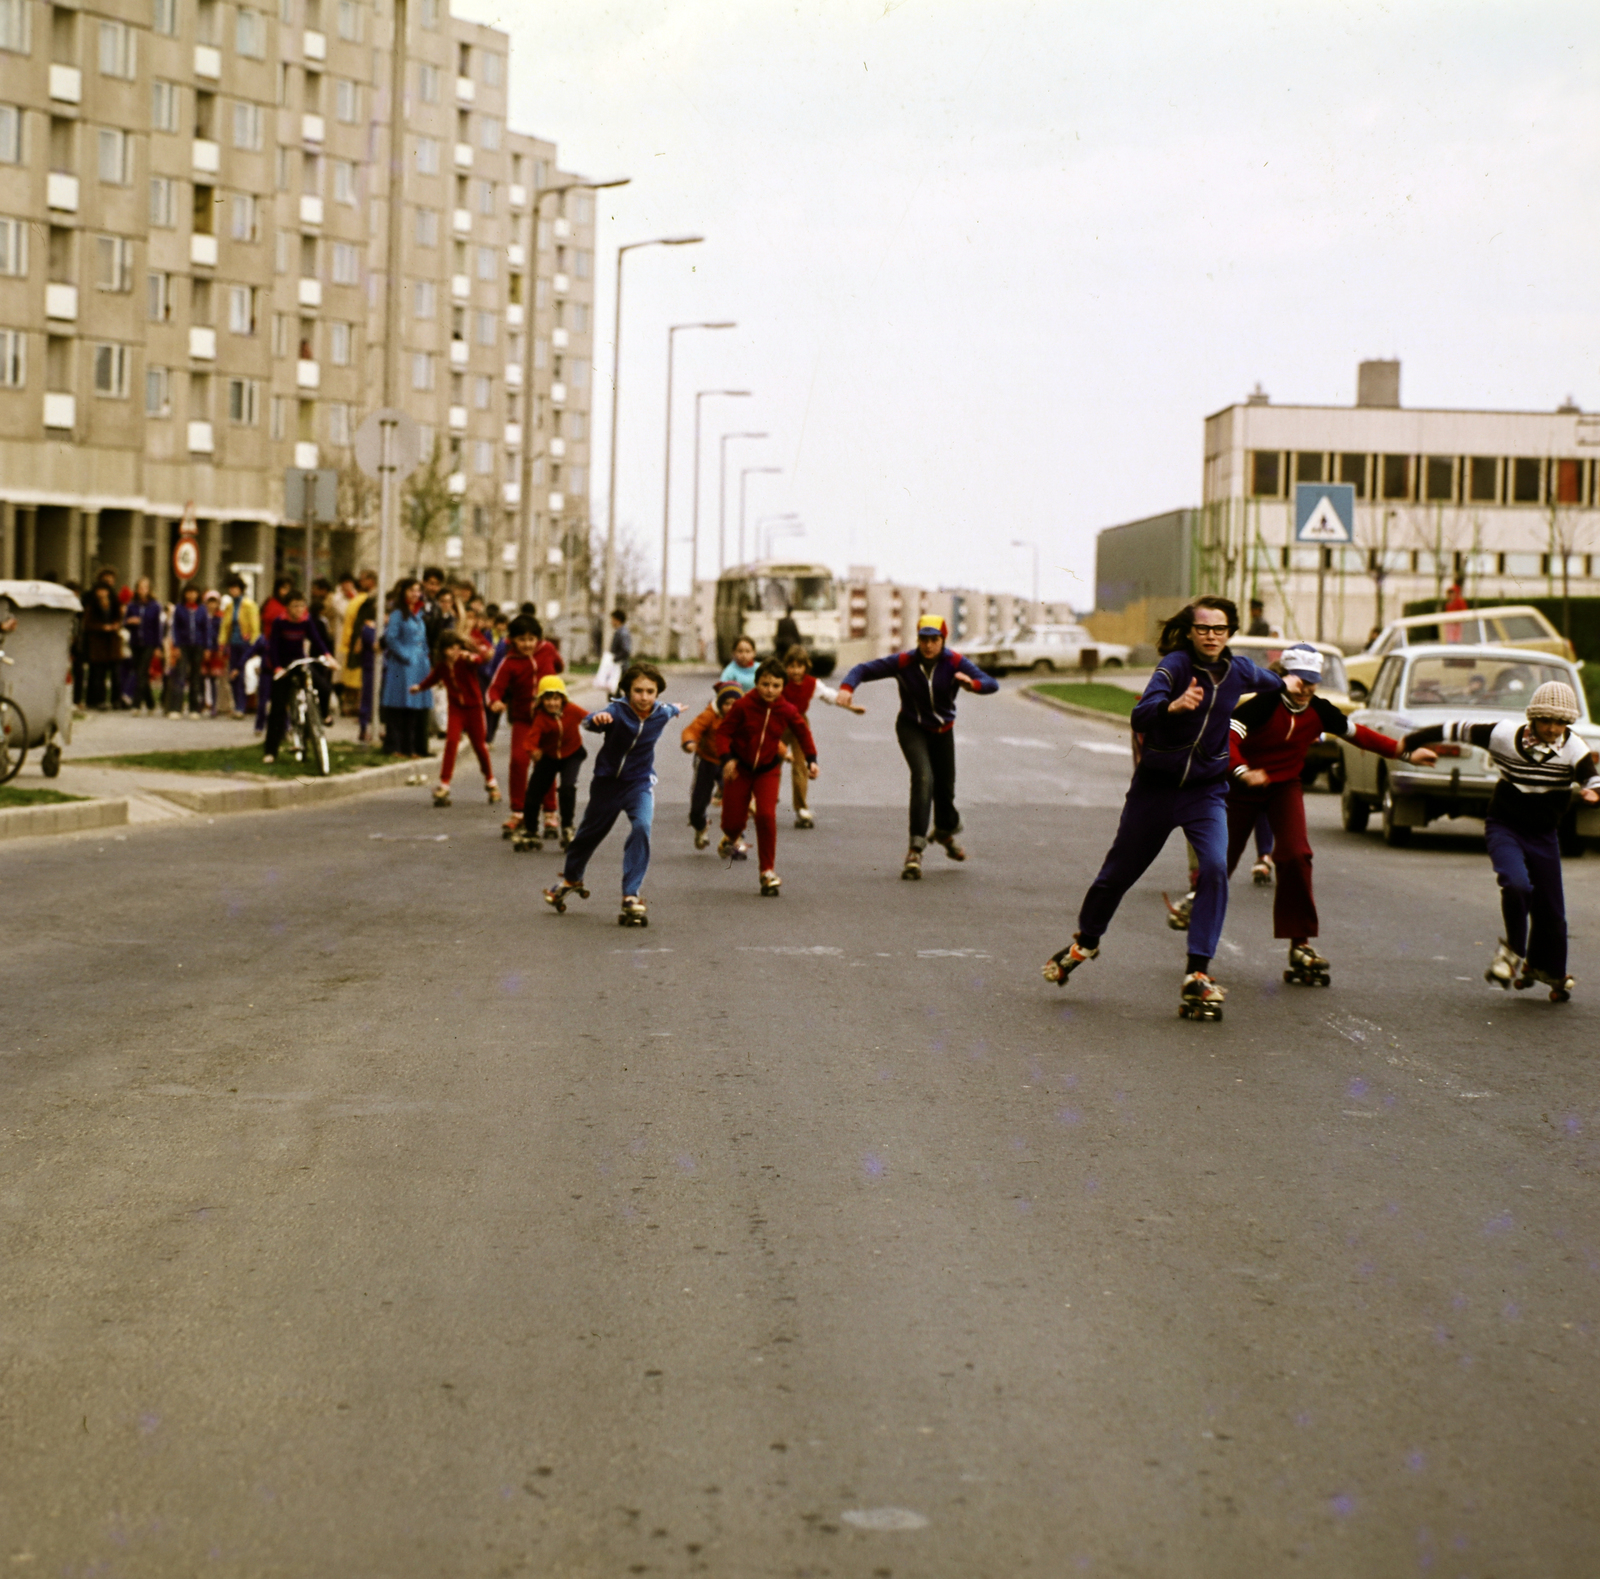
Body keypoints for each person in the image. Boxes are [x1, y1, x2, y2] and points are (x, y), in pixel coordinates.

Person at [1042, 596, 1300, 1020]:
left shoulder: (1240, 670)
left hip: (1205, 792)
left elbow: (1271, 685)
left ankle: (1197, 972)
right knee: (1116, 874)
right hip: (1156, 791)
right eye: (1203, 629)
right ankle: (1086, 941)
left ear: (1230, 633)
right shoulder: (1175, 667)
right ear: (1191, 632)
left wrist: (1288, 685)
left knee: (1215, 867)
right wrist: (1172, 706)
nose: (1211, 637)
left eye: (1219, 629)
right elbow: (1140, 714)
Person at [1225, 643, 1435, 985]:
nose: (1307, 688)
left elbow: (1360, 735)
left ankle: (1300, 944)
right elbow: (1228, 739)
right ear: (1282, 676)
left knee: (1296, 855)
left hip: (1283, 786)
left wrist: (1405, 752)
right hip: (1241, 786)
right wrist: (1242, 771)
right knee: (1222, 860)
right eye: (1300, 680)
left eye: (1313, 681)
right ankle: (1196, 904)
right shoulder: (1260, 705)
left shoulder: (1320, 710)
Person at [1401, 681, 1600, 1000]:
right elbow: (1453, 728)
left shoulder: (1573, 747)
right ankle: (1512, 953)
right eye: (1545, 720)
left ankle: (1547, 967)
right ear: (1532, 718)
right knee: (1516, 884)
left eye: (1560, 722)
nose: (1552, 729)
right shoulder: (1503, 734)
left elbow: (1592, 776)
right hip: (1504, 826)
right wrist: (1410, 744)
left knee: (1552, 909)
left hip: (1544, 834)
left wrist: (1594, 792)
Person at [836, 614, 999, 879]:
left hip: (943, 732)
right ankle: (915, 850)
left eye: (934, 639)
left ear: (943, 640)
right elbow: (863, 669)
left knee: (945, 792)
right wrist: (846, 687)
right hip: (912, 727)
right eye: (923, 639)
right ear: (917, 640)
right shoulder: (904, 662)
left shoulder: (955, 662)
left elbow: (992, 683)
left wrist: (973, 684)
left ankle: (945, 832)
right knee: (923, 778)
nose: (928, 645)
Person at [544, 662, 683, 926]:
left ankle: (631, 894)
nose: (644, 697)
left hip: (639, 784)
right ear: (627, 691)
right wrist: (596, 720)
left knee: (642, 826)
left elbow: (671, 708)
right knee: (588, 834)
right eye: (638, 691)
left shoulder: (661, 712)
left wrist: (676, 708)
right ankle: (572, 878)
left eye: (650, 691)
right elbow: (590, 721)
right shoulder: (616, 711)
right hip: (607, 784)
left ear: (657, 693)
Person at [714, 659, 819, 897]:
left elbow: (803, 733)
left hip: (768, 769)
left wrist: (812, 759)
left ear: (783, 687)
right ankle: (730, 836)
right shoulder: (743, 705)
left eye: (775, 685)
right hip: (739, 766)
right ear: (757, 683)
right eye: (765, 684)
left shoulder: (787, 709)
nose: (770, 690)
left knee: (766, 815)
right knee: (733, 822)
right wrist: (727, 758)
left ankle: (767, 871)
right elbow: (723, 732)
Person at [486, 614, 557, 838]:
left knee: (546, 765)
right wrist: (495, 701)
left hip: (548, 721)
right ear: (512, 641)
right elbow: (495, 688)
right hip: (523, 720)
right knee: (518, 761)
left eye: (531, 639)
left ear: (538, 638)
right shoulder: (510, 662)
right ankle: (519, 812)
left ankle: (550, 813)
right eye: (522, 639)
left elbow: (559, 665)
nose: (527, 644)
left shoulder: (548, 650)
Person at [414, 627, 499, 807]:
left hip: (474, 708)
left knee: (479, 746)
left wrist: (474, 656)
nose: (454, 652)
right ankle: (444, 784)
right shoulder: (443, 665)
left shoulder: (465, 660)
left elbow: (480, 659)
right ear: (443, 650)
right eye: (450, 649)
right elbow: (433, 679)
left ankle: (490, 780)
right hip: (456, 709)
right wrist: (419, 687)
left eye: (457, 648)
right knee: (451, 742)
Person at [780, 644, 861, 829]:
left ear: (805, 667)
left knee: (800, 766)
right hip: (779, 722)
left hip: (799, 723)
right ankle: (762, 800)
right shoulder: (781, 681)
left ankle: (801, 808)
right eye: (791, 666)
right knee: (771, 761)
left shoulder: (812, 683)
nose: (795, 670)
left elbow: (829, 696)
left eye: (799, 666)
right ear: (786, 667)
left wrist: (850, 707)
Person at [261, 592, 336, 763]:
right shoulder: (279, 622)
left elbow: (316, 640)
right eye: (295, 606)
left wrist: (327, 656)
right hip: (284, 666)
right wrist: (278, 668)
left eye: (302, 605)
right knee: (278, 709)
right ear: (287, 607)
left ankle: (323, 716)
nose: (299, 609)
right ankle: (270, 751)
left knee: (324, 688)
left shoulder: (306, 620)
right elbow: (273, 647)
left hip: (301, 662)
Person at [521, 675, 589, 850]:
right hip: (549, 757)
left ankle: (567, 827)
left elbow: (589, 719)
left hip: (572, 754)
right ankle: (530, 831)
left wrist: (605, 723)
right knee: (533, 793)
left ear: (563, 699)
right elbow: (531, 739)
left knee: (567, 787)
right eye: (548, 699)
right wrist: (532, 750)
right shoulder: (541, 718)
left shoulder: (572, 710)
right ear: (541, 700)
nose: (552, 703)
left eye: (556, 698)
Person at [681, 681, 743, 850]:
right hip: (706, 760)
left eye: (734, 704)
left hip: (728, 763)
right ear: (719, 703)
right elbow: (693, 729)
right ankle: (701, 826)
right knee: (697, 807)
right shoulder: (710, 714)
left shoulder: (743, 718)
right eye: (726, 704)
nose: (730, 708)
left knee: (734, 800)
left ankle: (735, 840)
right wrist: (689, 742)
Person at [379, 577, 433, 759]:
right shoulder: (397, 614)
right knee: (400, 706)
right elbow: (391, 638)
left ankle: (412, 747)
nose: (415, 594)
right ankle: (396, 746)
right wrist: (406, 655)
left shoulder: (418, 614)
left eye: (418, 590)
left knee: (414, 708)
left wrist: (426, 656)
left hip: (419, 666)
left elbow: (423, 639)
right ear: (403, 592)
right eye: (411, 590)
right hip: (402, 667)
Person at [218, 575, 260, 718]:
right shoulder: (230, 606)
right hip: (233, 644)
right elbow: (225, 627)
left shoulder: (249, 605)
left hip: (246, 644)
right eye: (231, 588)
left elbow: (255, 626)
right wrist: (222, 643)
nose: (233, 590)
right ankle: (237, 705)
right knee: (233, 676)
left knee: (242, 674)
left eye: (235, 588)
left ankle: (242, 706)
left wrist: (255, 645)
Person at [168, 583, 212, 717]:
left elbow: (206, 629)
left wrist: (207, 647)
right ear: (185, 594)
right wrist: (175, 645)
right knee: (180, 676)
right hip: (183, 645)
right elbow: (174, 628)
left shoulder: (202, 609)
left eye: (194, 592)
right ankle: (176, 708)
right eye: (189, 592)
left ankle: (194, 708)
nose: (191, 595)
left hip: (198, 645)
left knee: (196, 677)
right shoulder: (179, 609)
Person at [122, 577, 162, 713]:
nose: (142, 590)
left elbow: (158, 627)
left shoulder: (155, 606)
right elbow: (124, 623)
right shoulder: (132, 605)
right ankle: (151, 704)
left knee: (141, 672)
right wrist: (129, 622)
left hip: (149, 642)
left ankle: (136, 704)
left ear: (149, 589)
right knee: (141, 673)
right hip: (135, 642)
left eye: (145, 587)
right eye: (140, 588)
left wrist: (158, 646)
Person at [82, 583, 123, 710]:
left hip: (112, 644)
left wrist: (116, 625)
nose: (102, 593)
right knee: (99, 675)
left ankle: (116, 700)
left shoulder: (114, 604)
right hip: (98, 645)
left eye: (104, 591)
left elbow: (119, 618)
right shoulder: (92, 606)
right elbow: (87, 624)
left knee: (116, 674)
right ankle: (99, 701)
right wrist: (102, 627)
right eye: (100, 590)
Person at [595, 607, 632, 695]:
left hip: (620, 667)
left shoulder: (622, 633)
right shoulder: (620, 631)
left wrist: (613, 659)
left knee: (615, 694)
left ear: (617, 620)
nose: (611, 622)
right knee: (615, 693)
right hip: (619, 667)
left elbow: (626, 650)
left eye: (612, 619)